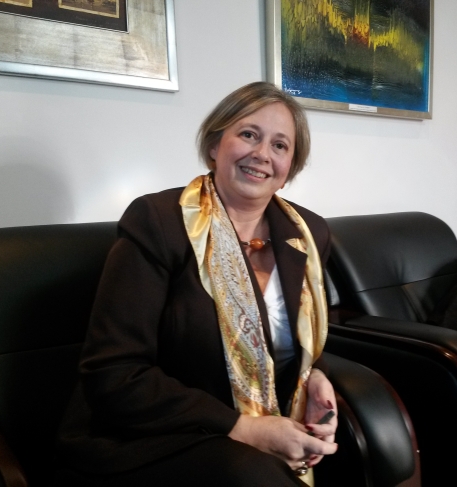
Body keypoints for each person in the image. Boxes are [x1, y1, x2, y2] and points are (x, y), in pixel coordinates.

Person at [54, 82, 338, 486]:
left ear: (290, 167)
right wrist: (242, 427)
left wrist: (316, 377)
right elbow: (113, 373)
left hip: (268, 422)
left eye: (280, 145)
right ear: (214, 145)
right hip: (157, 435)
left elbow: (298, 336)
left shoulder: (308, 234)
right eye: (248, 135)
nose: (261, 154)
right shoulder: (158, 221)